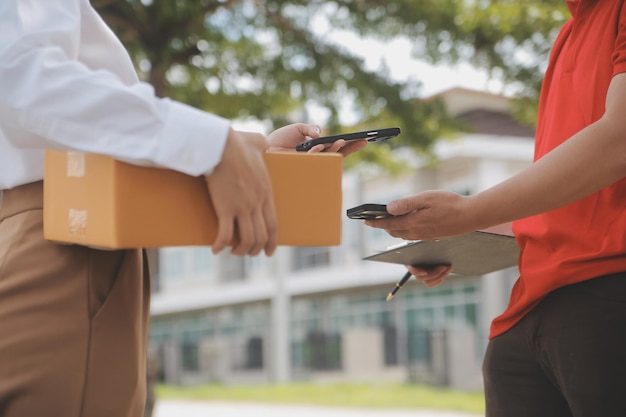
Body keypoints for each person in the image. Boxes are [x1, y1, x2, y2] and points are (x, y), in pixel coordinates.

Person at [0, 1, 366, 417]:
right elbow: (25, 84)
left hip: (52, 229)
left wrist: (249, 154)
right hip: (67, 246)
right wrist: (216, 146)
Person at [365, 2, 626, 416]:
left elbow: (620, 140)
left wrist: (470, 212)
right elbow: (573, 196)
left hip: (610, 292)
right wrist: (456, 238)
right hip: (528, 311)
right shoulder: (570, 32)